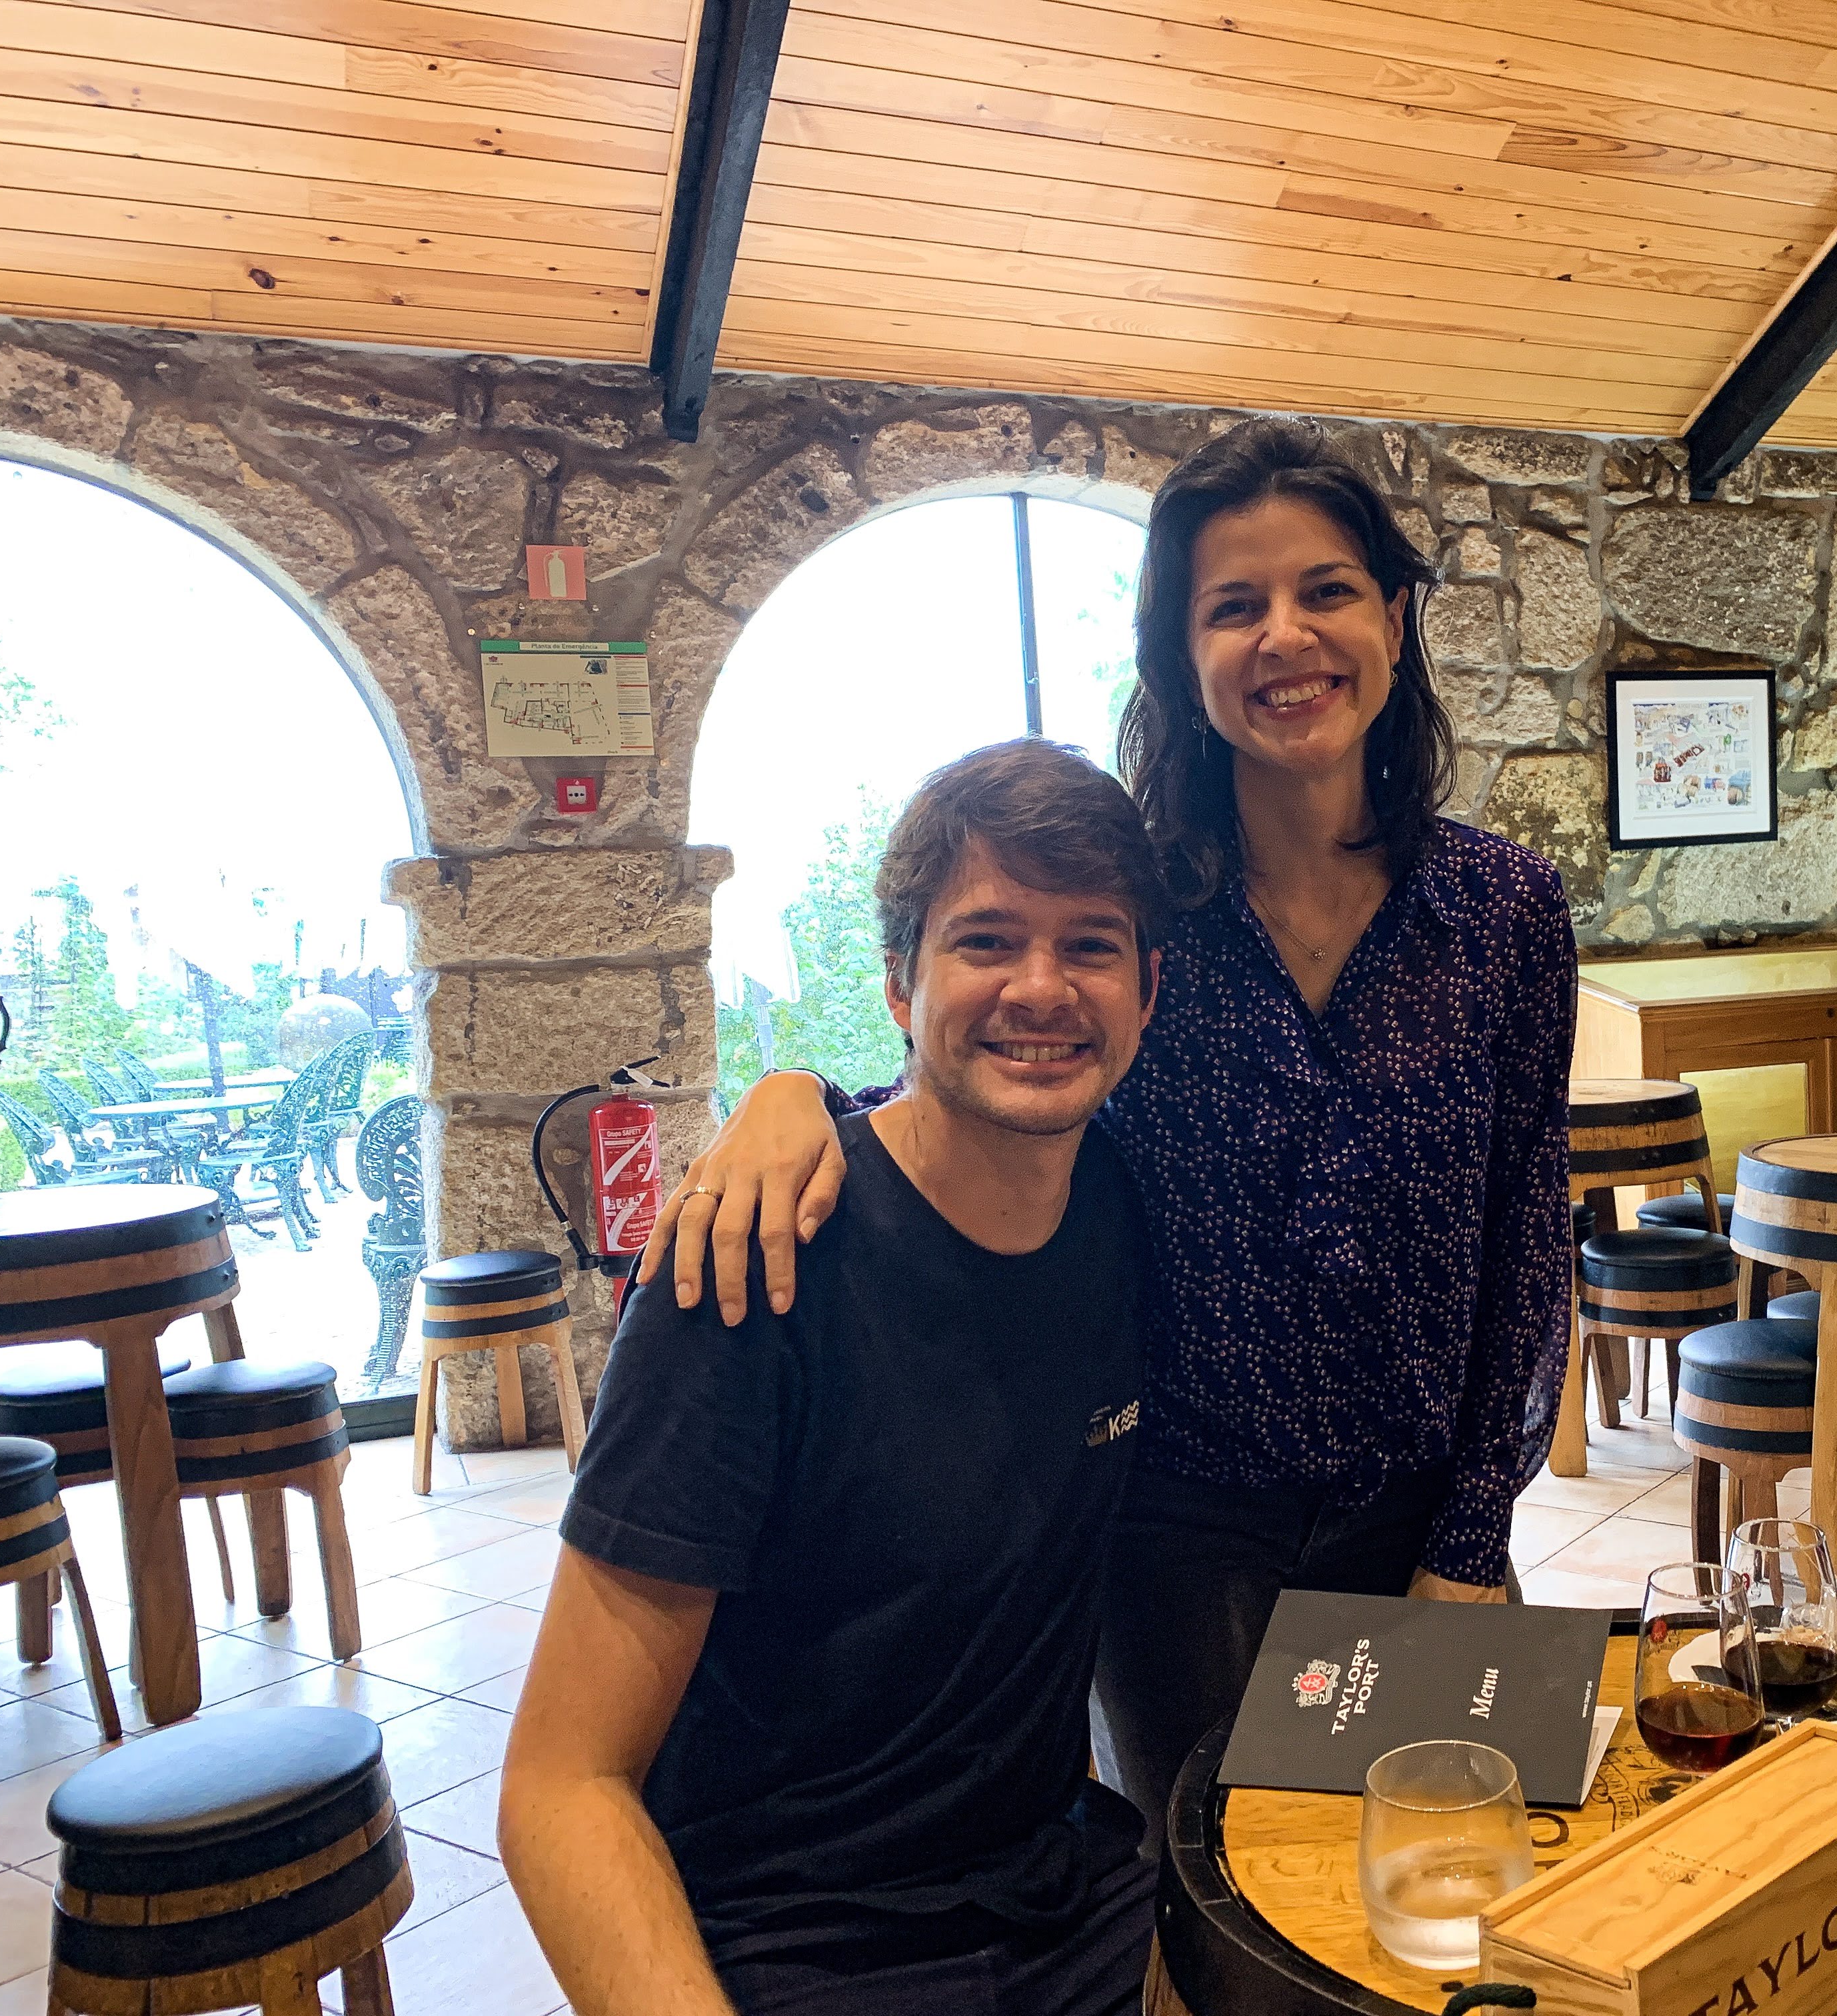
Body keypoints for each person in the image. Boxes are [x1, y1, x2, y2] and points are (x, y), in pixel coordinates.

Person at [643, 417, 1578, 1842]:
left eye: (1326, 591)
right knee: (1226, 1903)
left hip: (1426, 1513)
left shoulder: (1507, 911)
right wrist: (795, 1099)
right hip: (1179, 1530)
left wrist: (1470, 1541)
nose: (1285, 637)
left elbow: (1526, 1240)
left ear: (1394, 621)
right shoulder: (1143, 908)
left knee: (1453, 1881)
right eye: (1234, 606)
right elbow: (976, 1080)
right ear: (1182, 659)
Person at [499, 740, 1168, 2016]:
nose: (1042, 988)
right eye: (986, 941)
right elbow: (561, 1784)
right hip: (795, 1944)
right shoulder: (748, 1270)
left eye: (1090, 944)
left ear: (1149, 990)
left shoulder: (1128, 1210)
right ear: (900, 984)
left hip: (1063, 1902)